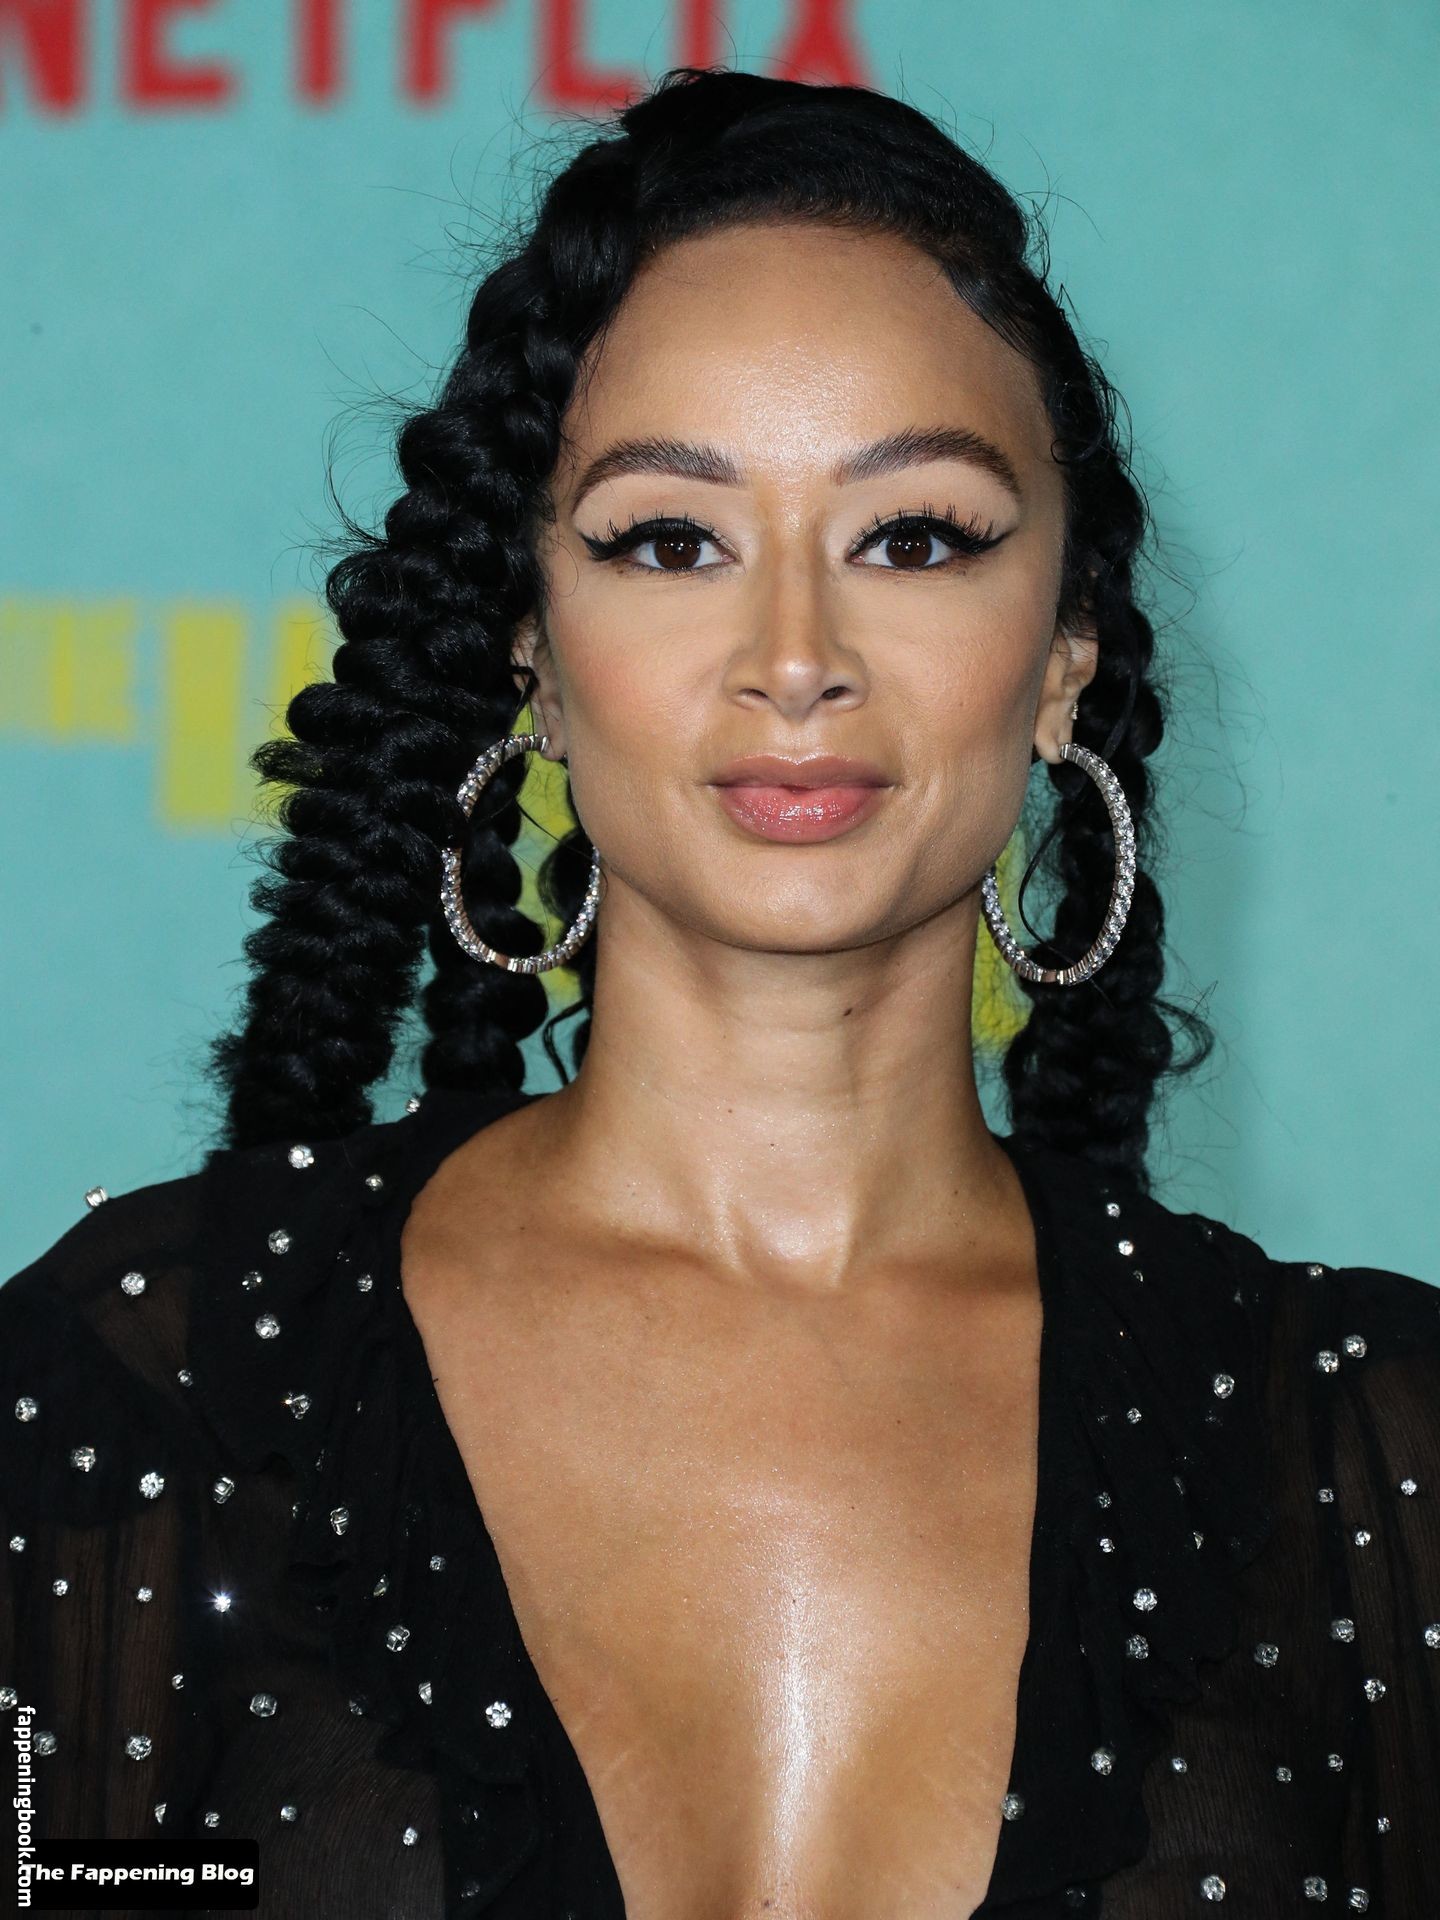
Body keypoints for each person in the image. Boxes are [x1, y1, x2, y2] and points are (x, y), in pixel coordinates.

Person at [3, 64, 1436, 1920]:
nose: (795, 657)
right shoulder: (151, 1376)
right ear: (532, 650)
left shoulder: (1363, 1444)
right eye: (671, 540)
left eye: (914, 535)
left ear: (1064, 653)